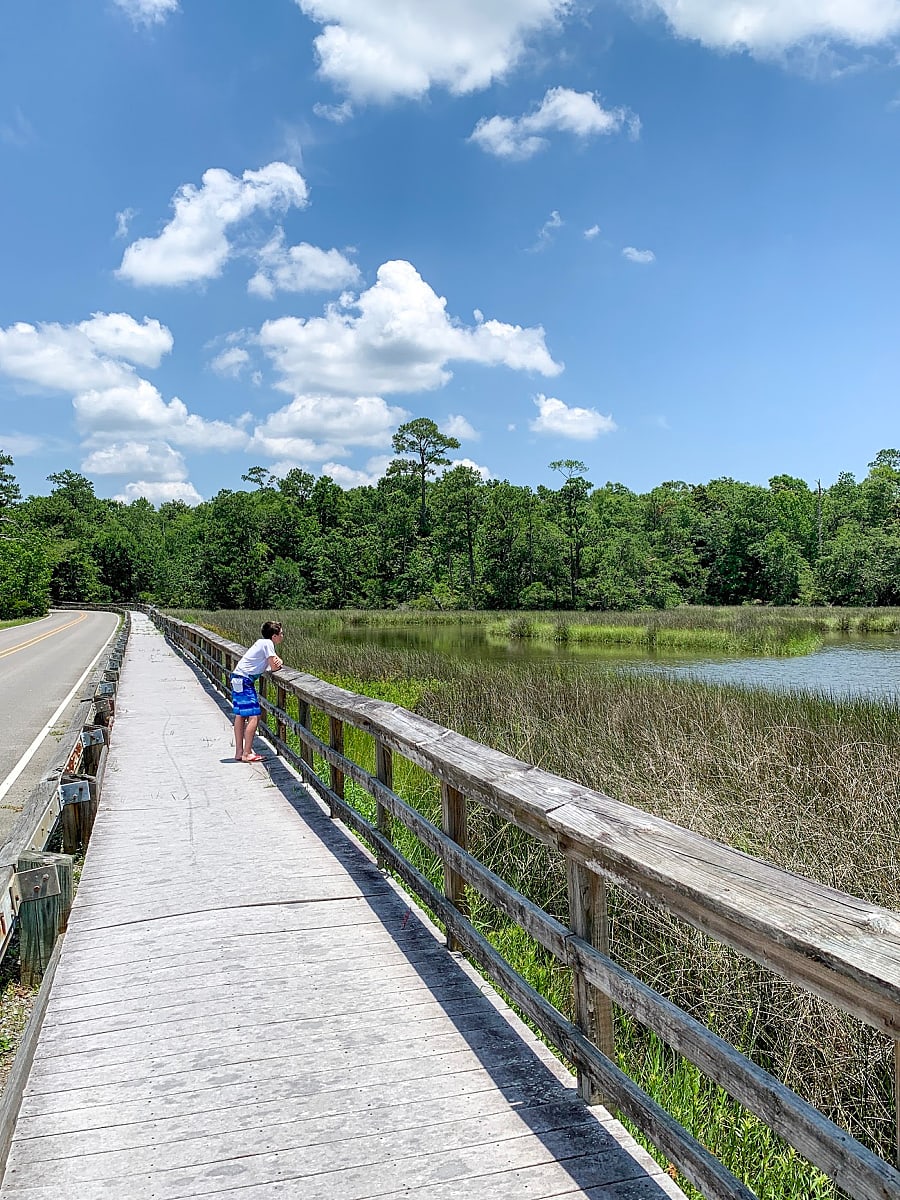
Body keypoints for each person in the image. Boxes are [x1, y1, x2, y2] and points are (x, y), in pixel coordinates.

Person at [230, 620, 284, 762]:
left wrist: (275, 662)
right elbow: (274, 667)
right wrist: (280, 663)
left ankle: (239, 752)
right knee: (254, 717)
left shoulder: (261, 643)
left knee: (240, 715)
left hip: (237, 677)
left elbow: (264, 665)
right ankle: (247, 753)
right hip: (245, 681)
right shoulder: (268, 644)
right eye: (281, 634)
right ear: (274, 636)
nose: (282, 636)